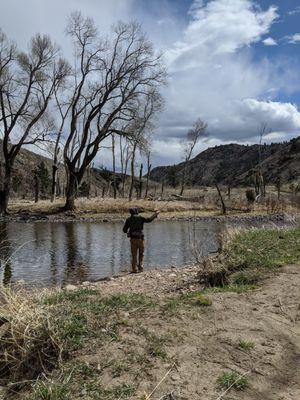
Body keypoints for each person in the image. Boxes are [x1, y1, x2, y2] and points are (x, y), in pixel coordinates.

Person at [123, 207, 159, 273]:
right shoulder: (141, 218)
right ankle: (141, 267)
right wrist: (155, 214)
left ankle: (134, 269)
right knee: (141, 253)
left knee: (134, 254)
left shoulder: (128, 219)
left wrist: (128, 231)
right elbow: (149, 220)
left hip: (133, 240)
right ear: (136, 212)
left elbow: (124, 230)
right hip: (140, 239)